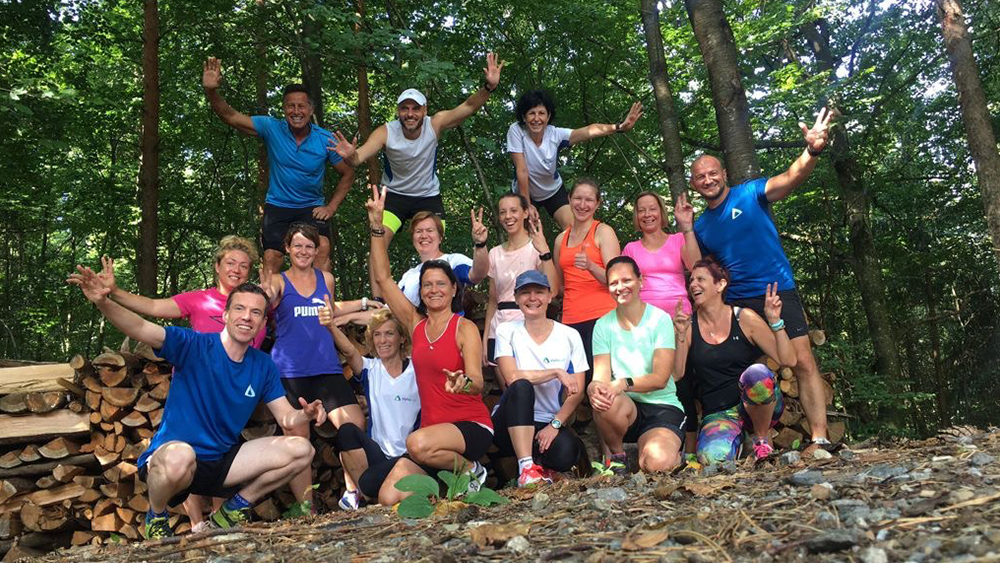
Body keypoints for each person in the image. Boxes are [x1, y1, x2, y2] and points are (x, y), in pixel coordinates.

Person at [67, 269, 324, 540]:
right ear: (225, 315)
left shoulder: (263, 365)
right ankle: (156, 516)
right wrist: (103, 302)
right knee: (181, 455)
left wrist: (305, 414)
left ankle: (233, 509)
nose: (247, 317)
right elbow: (142, 328)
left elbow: (286, 418)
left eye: (256, 312)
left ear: (262, 324)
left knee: (302, 450)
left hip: (221, 462)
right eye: (239, 308)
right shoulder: (193, 345)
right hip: (173, 461)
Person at [689, 107, 834, 451]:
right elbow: (701, 268)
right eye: (700, 177)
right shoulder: (702, 226)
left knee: (802, 361)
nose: (708, 180)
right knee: (745, 367)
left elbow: (790, 178)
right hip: (737, 301)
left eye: (713, 173)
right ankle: (750, 438)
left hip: (776, 290)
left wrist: (812, 150)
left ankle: (820, 438)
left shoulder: (750, 193)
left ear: (724, 174)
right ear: (694, 184)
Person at [95, 236, 263, 528]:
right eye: (230, 263)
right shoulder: (199, 299)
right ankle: (197, 523)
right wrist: (115, 292)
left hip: (235, 393)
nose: (236, 270)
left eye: (243, 266)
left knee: (224, 454)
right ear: (217, 266)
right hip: (194, 391)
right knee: (187, 452)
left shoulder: (257, 305)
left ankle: (219, 521)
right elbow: (152, 307)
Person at [364, 184, 493, 506]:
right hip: (431, 435)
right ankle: (447, 487)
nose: (433, 290)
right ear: (420, 291)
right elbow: (382, 279)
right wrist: (377, 228)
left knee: (416, 444)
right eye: (427, 285)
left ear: (453, 289)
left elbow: (477, 382)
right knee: (388, 496)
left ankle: (472, 471)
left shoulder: (464, 328)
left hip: (469, 426)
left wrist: (464, 383)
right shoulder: (415, 324)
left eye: (440, 284)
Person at [202, 57, 355, 276]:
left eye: (301, 106)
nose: (296, 111)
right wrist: (211, 91)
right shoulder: (271, 127)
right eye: (290, 106)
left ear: (311, 109)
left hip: (311, 206)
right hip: (278, 206)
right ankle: (269, 299)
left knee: (322, 250)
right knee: (271, 257)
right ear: (284, 109)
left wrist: (331, 207)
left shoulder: (325, 139)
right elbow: (230, 116)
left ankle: (323, 298)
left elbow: (348, 173)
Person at [330, 53, 504, 241]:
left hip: (427, 195)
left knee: (433, 242)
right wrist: (350, 155)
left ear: (425, 110)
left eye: (415, 108)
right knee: (378, 240)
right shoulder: (386, 132)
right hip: (393, 195)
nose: (410, 114)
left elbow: (468, 106)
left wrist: (489, 87)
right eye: (404, 108)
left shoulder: (434, 124)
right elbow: (358, 158)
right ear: (398, 111)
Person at [260, 223, 366, 515]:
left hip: (326, 368)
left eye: (309, 246)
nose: (303, 251)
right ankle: (307, 510)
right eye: (298, 245)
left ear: (317, 250)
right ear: (287, 248)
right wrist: (264, 294)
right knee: (298, 441)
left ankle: (352, 492)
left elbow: (331, 309)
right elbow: (267, 300)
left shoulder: (326, 279)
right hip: (290, 373)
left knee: (354, 424)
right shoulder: (279, 281)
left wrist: (363, 304)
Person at [672, 258, 796, 464]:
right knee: (711, 459)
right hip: (719, 414)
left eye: (700, 279)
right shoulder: (689, 325)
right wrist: (681, 335)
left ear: (720, 285)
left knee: (757, 374)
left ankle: (761, 440)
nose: (693, 285)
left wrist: (775, 321)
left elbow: (788, 359)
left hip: (756, 404)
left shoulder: (744, 318)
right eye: (691, 280)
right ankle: (739, 441)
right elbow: (677, 374)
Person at [587, 256, 684, 475]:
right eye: (613, 283)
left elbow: (660, 379)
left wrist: (623, 383)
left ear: (641, 281)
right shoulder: (602, 325)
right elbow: (599, 378)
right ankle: (618, 456)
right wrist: (594, 389)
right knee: (604, 398)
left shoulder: (659, 319)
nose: (620, 287)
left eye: (626, 280)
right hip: (625, 410)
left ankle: (670, 453)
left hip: (662, 407)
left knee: (658, 465)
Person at [620, 191, 700, 454]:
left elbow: (695, 265)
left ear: (662, 212)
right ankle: (661, 441)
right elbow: (625, 285)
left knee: (683, 381)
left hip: (679, 320)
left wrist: (687, 227)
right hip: (646, 325)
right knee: (659, 381)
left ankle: (690, 448)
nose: (647, 214)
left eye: (652, 208)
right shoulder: (631, 249)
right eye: (641, 210)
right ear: (636, 216)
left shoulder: (678, 240)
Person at [491, 270, 588, 486]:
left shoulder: (569, 335)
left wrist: (555, 424)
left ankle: (541, 468)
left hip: (547, 421)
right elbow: (512, 377)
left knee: (567, 453)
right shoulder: (507, 331)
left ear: (550, 296)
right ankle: (526, 468)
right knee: (522, 386)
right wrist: (556, 372)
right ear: (516, 298)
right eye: (525, 293)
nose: (532, 298)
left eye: (539, 292)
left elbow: (577, 389)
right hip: (509, 421)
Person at [322, 307, 420, 509]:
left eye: (389, 333)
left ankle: (373, 492)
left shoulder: (417, 370)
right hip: (378, 455)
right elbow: (349, 352)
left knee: (372, 481)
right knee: (347, 431)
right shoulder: (371, 368)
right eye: (377, 334)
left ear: (402, 338)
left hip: (411, 455)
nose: (382, 340)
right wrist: (331, 326)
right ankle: (367, 497)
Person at [508, 90, 643, 229]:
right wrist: (526, 205)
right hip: (524, 192)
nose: (536, 118)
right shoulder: (516, 130)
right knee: (524, 231)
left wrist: (619, 127)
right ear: (524, 117)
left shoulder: (555, 134)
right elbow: (522, 170)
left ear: (548, 117)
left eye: (541, 113)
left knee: (573, 227)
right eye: (531, 113)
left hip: (552, 191)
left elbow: (590, 130)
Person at [468, 194, 557, 366]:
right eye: (503, 212)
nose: (508, 216)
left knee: (527, 379)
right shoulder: (494, 253)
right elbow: (493, 300)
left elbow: (553, 289)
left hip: (530, 324)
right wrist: (485, 337)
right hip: (499, 327)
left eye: (513, 210)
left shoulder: (536, 248)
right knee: (507, 381)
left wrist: (545, 251)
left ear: (525, 213)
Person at [552, 178, 620, 387]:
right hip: (571, 319)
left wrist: (591, 266)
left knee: (604, 383)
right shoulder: (560, 239)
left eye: (589, 200)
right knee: (576, 384)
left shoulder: (603, 231)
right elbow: (559, 285)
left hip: (603, 317)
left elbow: (618, 280)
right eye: (578, 198)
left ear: (597, 204)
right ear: (569, 200)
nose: (582, 205)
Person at [395, 211, 474, 309]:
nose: (424, 235)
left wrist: (480, 245)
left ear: (440, 237)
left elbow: (476, 274)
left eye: (430, 230)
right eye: (418, 231)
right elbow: (392, 307)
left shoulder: (454, 260)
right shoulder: (409, 275)